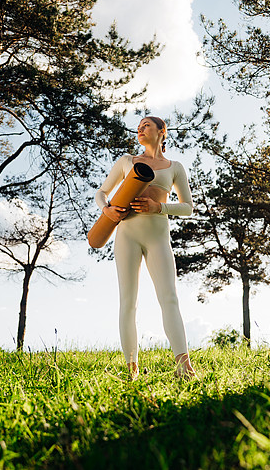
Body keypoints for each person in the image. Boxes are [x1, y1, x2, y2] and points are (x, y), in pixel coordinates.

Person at [95, 116, 196, 380]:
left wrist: (159, 207)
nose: (140, 129)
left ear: (162, 131)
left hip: (158, 237)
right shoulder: (127, 161)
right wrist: (106, 209)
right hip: (127, 235)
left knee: (169, 298)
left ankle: (184, 366)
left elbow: (188, 207)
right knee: (128, 302)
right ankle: (132, 369)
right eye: (138, 127)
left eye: (146, 125)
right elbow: (101, 193)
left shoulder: (175, 167)